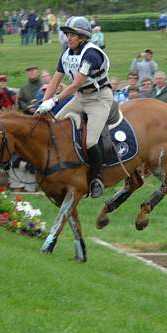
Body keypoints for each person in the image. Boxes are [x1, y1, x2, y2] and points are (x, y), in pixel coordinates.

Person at [36, 16, 112, 198]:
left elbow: (76, 83)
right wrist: (42, 104)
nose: (68, 38)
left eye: (73, 35)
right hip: (80, 98)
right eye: (68, 34)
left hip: (98, 98)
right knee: (55, 128)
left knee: (91, 141)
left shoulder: (91, 54)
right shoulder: (66, 55)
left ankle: (96, 179)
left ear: (83, 37)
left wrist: (53, 102)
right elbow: (55, 81)